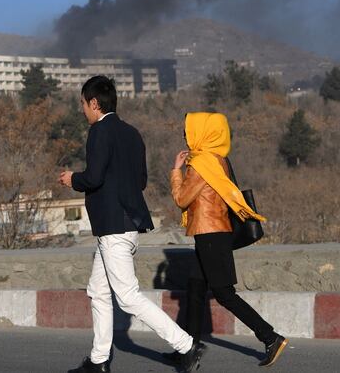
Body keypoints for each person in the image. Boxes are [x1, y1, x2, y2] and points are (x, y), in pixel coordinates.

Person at [59, 76, 206, 373]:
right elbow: (139, 181)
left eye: (83, 104)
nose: (83, 109)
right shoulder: (132, 133)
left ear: (94, 103)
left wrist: (72, 178)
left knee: (127, 297)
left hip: (113, 226)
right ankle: (99, 360)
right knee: (97, 291)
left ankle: (186, 345)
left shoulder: (99, 131)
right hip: (123, 224)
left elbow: (94, 177)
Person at [168, 112, 288, 368]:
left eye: (188, 130)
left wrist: (176, 171)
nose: (185, 135)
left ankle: (270, 337)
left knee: (224, 294)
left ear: (202, 133)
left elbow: (181, 199)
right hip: (211, 233)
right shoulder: (219, 159)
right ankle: (187, 348)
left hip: (210, 234)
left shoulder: (200, 164)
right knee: (195, 289)